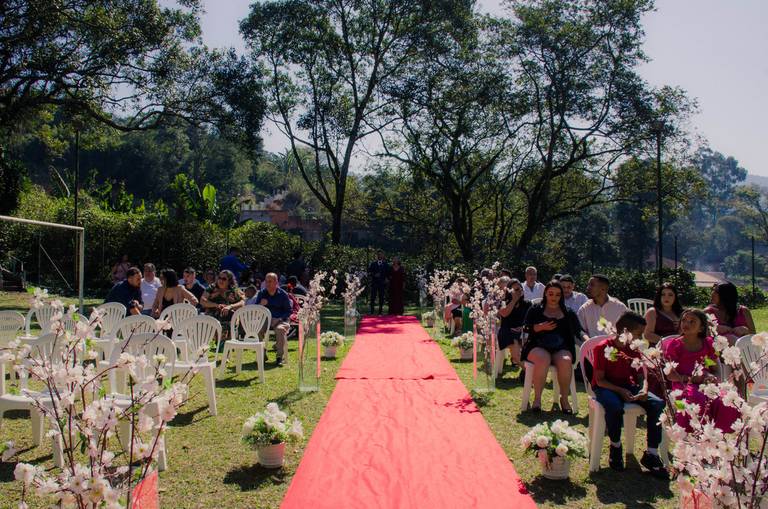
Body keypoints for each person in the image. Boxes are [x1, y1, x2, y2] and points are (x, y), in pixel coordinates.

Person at [591, 312, 667, 477]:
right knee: (614, 407)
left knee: (657, 403)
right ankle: (615, 446)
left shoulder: (633, 348)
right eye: (639, 334)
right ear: (625, 331)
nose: (641, 339)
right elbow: (600, 380)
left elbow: (641, 376)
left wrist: (644, 389)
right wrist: (620, 390)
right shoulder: (603, 347)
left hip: (628, 385)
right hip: (606, 387)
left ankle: (652, 453)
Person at [662, 308, 739, 433]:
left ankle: (716, 434)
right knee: (697, 398)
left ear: (701, 328)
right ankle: (696, 432)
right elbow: (670, 375)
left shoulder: (708, 344)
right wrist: (690, 379)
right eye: (684, 320)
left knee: (724, 399)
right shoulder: (674, 345)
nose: (686, 324)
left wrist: (711, 377)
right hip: (682, 385)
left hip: (705, 383)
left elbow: (713, 367)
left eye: (692, 321)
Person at [522, 281, 582, 413]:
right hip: (537, 345)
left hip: (561, 347)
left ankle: (564, 399)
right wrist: (540, 327)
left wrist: (588, 339)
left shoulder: (568, 312)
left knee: (566, 360)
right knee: (543, 358)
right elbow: (525, 328)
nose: (554, 297)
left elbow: (579, 331)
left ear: (561, 296)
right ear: (545, 294)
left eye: (557, 294)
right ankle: (537, 399)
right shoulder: (535, 309)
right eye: (551, 294)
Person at [249, 273, 293, 366]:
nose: (267, 284)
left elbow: (289, 311)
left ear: (276, 282)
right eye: (266, 281)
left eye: (270, 281)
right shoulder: (262, 293)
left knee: (280, 329)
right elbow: (255, 309)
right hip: (266, 319)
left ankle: (279, 357)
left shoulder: (283, 294)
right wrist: (261, 304)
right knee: (258, 329)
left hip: (281, 319)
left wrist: (279, 319)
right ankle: (262, 353)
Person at [577, 274, 628, 339]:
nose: (588, 288)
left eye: (592, 285)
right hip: (594, 345)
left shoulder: (620, 307)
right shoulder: (584, 309)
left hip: (615, 344)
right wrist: (588, 340)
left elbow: (629, 327)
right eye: (588, 285)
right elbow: (579, 330)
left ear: (603, 288)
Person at [497, 278, 531, 374]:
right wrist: (513, 300)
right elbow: (504, 314)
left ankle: (528, 372)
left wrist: (523, 327)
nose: (518, 291)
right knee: (516, 352)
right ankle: (530, 373)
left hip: (523, 331)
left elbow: (530, 320)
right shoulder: (503, 302)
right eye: (515, 290)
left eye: (519, 289)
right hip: (507, 331)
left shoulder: (527, 304)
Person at [200, 269, 246, 333]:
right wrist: (216, 305)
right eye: (219, 278)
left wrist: (230, 306)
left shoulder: (233, 289)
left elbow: (242, 302)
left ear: (229, 281)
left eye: (224, 279)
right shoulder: (212, 288)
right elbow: (202, 301)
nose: (221, 280)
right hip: (212, 317)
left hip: (229, 318)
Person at [368, 250, 390, 315]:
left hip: (382, 284)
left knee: (381, 297)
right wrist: (374, 275)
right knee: (373, 297)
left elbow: (388, 273)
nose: (379, 256)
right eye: (378, 254)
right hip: (374, 283)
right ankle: (372, 311)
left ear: (383, 255)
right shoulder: (373, 264)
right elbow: (369, 272)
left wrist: (387, 279)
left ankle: (380, 311)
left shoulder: (386, 265)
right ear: (377, 255)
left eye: (381, 254)